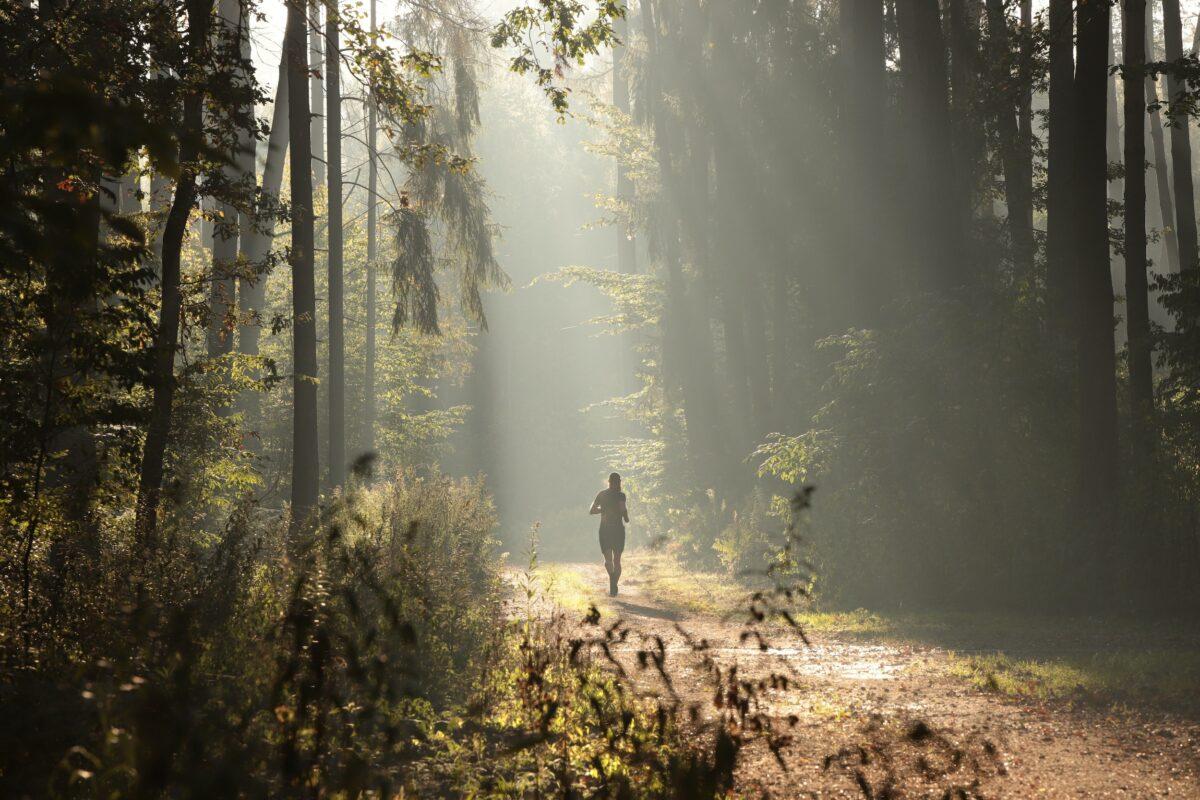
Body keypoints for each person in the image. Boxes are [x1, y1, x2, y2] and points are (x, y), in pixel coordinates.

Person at [590, 472, 629, 596]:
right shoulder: (621, 495)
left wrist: (603, 509)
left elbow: (592, 510)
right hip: (618, 530)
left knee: (608, 560)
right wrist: (626, 518)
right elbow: (623, 509)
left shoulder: (601, 494)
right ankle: (614, 583)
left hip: (605, 530)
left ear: (609, 481)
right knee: (617, 560)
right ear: (619, 482)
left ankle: (612, 581)